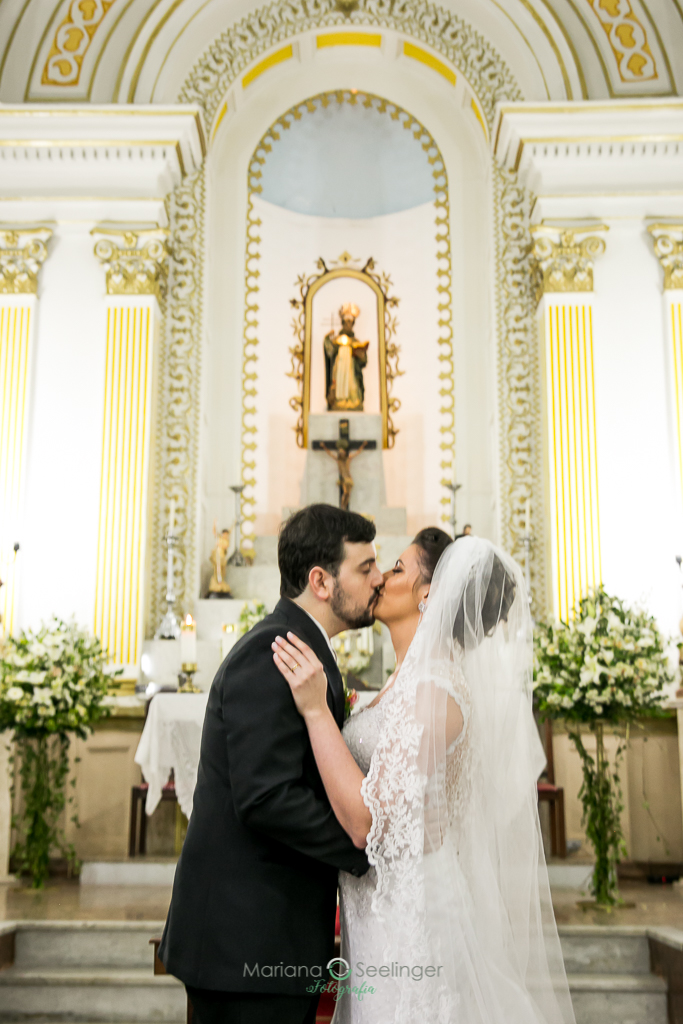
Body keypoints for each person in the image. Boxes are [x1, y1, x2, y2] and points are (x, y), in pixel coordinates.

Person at [273, 529, 576, 1024]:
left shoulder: (435, 689)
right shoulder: (408, 679)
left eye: (395, 569)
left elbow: (366, 823)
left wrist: (314, 710)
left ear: (428, 594)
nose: (379, 579)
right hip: (382, 908)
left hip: (412, 921)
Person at [159, 504, 384, 1024]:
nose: (377, 579)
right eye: (365, 567)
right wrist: (370, 851)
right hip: (244, 941)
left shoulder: (304, 649)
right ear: (321, 581)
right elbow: (266, 797)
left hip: (270, 936)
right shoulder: (272, 653)